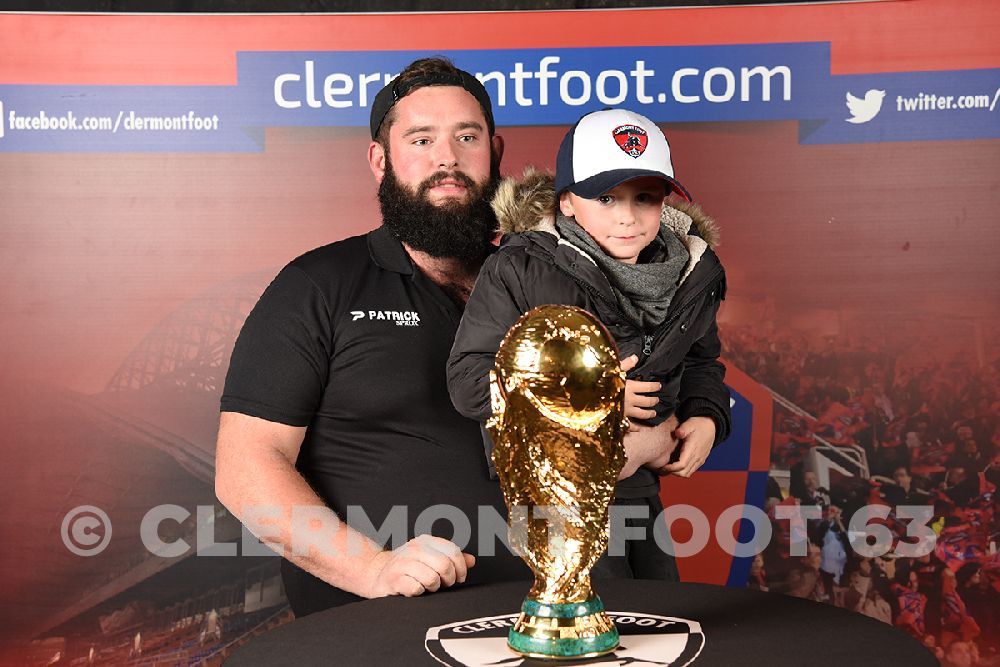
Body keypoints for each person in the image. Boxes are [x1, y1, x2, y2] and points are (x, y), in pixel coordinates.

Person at [215, 57, 529, 617]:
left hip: (548, 621)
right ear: (380, 161)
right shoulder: (318, 286)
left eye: (467, 137)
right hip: (380, 628)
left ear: (495, 152)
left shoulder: (541, 281)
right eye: (421, 139)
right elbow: (246, 467)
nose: (447, 158)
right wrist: (372, 568)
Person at [447, 108, 731, 578]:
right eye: (605, 198)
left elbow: (703, 362)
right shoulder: (522, 268)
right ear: (567, 202)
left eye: (645, 197)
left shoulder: (692, 271)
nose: (628, 217)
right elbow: (469, 381)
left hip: (638, 487)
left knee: (660, 612)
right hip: (554, 492)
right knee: (585, 616)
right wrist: (590, 394)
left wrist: (706, 416)